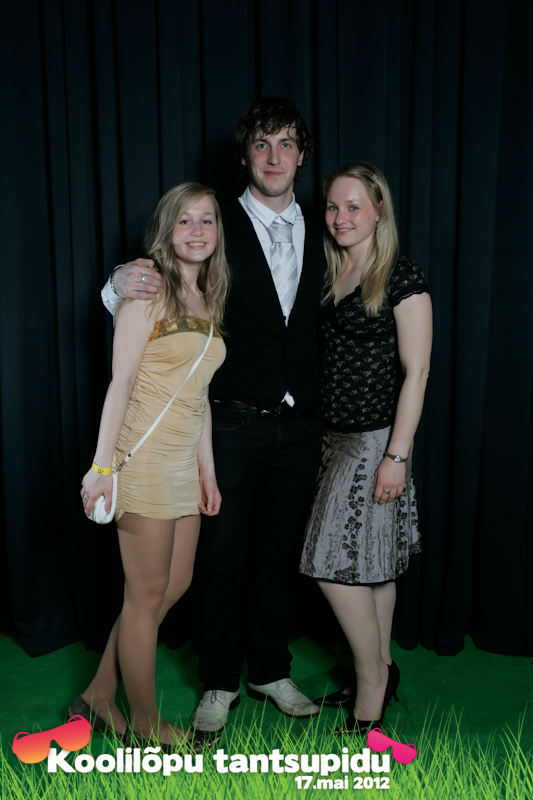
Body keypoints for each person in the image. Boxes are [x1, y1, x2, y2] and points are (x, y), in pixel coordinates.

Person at [102, 98, 326, 733]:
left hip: (300, 424)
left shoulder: (329, 228)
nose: (275, 156)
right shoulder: (213, 223)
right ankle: (220, 679)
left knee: (279, 554)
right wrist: (117, 283)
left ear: (301, 156)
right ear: (245, 156)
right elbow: (155, 283)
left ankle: (270, 668)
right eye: (262, 144)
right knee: (219, 558)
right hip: (227, 421)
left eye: (287, 144)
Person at [72, 183, 229, 750]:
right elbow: (120, 384)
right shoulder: (146, 291)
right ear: (166, 229)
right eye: (184, 220)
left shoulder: (206, 297)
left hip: (184, 464)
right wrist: (101, 467)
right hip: (143, 460)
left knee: (175, 584)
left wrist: (207, 471)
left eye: (206, 220)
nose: (196, 230)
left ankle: (97, 694)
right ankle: (144, 721)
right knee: (144, 595)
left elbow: (199, 394)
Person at [299, 163, 432, 735]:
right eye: (333, 206)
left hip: (375, 440)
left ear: (379, 211)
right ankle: (382, 667)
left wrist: (396, 456)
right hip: (333, 437)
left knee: (329, 566)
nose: (341, 217)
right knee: (374, 564)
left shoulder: (401, 277)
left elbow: (417, 372)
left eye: (354, 206)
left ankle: (371, 683)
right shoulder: (334, 270)